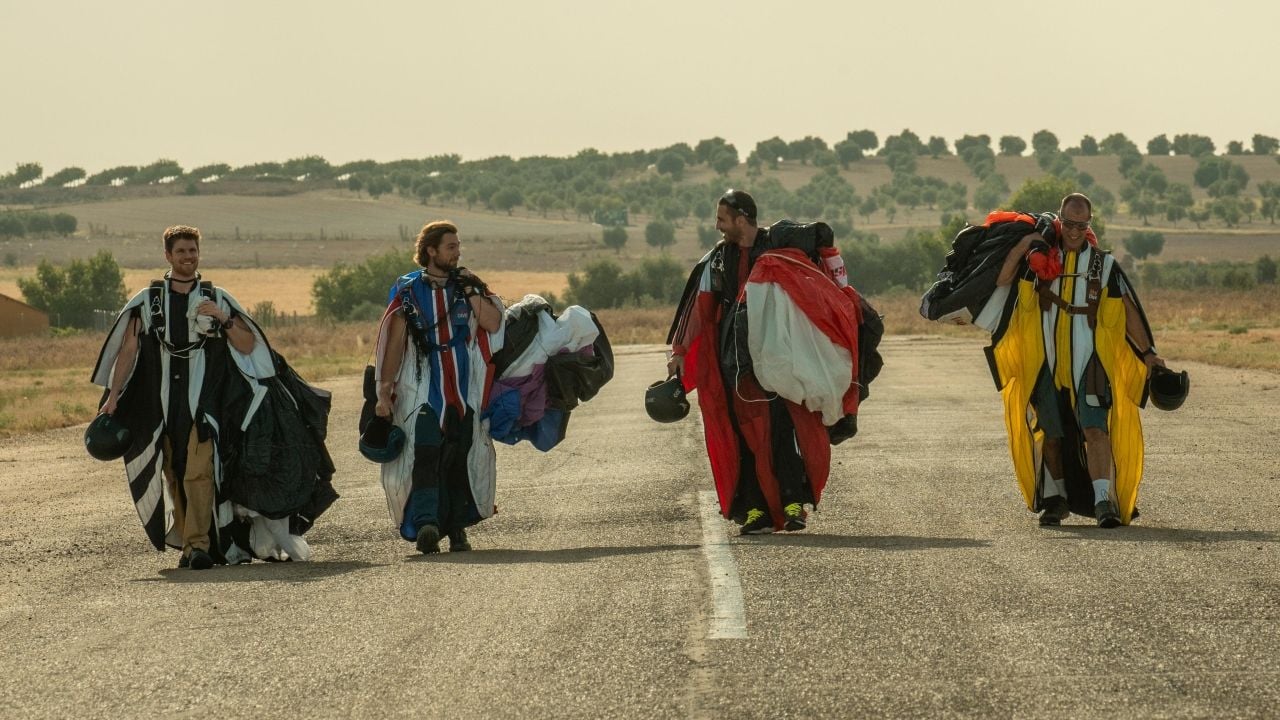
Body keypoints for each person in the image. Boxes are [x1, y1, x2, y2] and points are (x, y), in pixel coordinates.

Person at [92, 225, 336, 569]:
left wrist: (222, 318)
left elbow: (249, 345)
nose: (188, 257)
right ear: (167, 256)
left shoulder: (218, 298)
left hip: (207, 404)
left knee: (199, 471)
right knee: (174, 474)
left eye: (193, 251)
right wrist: (114, 396)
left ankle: (198, 547)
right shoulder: (148, 302)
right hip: (160, 405)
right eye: (181, 252)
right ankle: (191, 540)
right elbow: (128, 351)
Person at [667, 190, 862, 535]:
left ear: (741, 219)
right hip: (736, 359)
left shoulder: (779, 240)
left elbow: (824, 238)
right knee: (742, 435)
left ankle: (792, 503)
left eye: (722, 219)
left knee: (783, 427)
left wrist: (842, 290)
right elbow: (701, 312)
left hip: (776, 352)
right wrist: (680, 354)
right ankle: (755, 509)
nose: (717, 226)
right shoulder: (718, 260)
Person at [992, 193, 1165, 527]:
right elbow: (1002, 281)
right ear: (1059, 220)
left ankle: (1104, 503)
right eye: (1068, 224)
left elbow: (1128, 311)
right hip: (1045, 363)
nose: (1073, 231)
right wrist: (1025, 243)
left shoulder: (1105, 266)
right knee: (1052, 434)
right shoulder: (1038, 261)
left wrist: (1149, 354)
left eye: (1081, 225)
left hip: (1091, 363)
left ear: (1090, 224)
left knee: (1095, 429)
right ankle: (1056, 500)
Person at [372, 220, 504, 554]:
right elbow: (395, 343)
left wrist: (472, 290)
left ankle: (457, 529)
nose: (457, 252)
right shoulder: (408, 291)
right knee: (427, 455)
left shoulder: (468, 285)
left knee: (460, 456)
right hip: (423, 389)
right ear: (431, 250)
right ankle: (427, 524)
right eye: (451, 247)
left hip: (464, 387)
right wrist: (384, 389)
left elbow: (491, 322)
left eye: (458, 246)